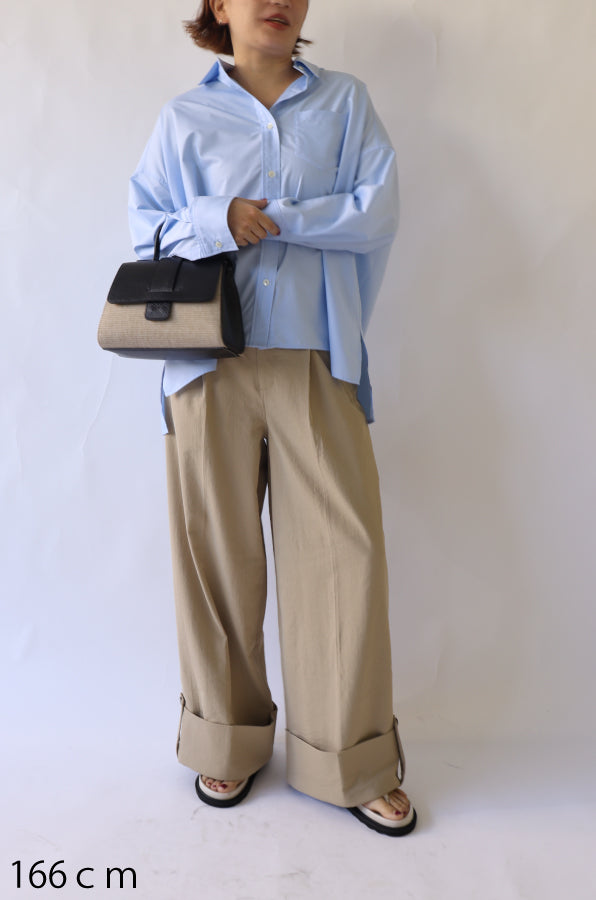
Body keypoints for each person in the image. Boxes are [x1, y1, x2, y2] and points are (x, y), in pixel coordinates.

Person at [128, 0, 417, 837]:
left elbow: (376, 211)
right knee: (216, 559)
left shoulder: (345, 102)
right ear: (219, 6)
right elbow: (145, 234)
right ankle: (225, 740)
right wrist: (215, 218)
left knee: (343, 559)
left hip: (315, 356)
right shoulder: (184, 117)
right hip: (206, 365)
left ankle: (349, 759)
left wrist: (278, 218)